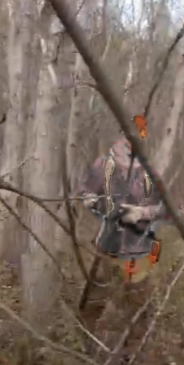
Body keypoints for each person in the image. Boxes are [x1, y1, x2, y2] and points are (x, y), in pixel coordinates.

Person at [76, 115, 167, 281]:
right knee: (103, 295)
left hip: (142, 251)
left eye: (139, 136)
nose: (131, 142)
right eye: (128, 136)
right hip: (108, 248)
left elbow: (165, 208)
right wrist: (98, 204)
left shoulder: (149, 170)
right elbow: (84, 193)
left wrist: (141, 213)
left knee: (136, 298)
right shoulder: (103, 164)